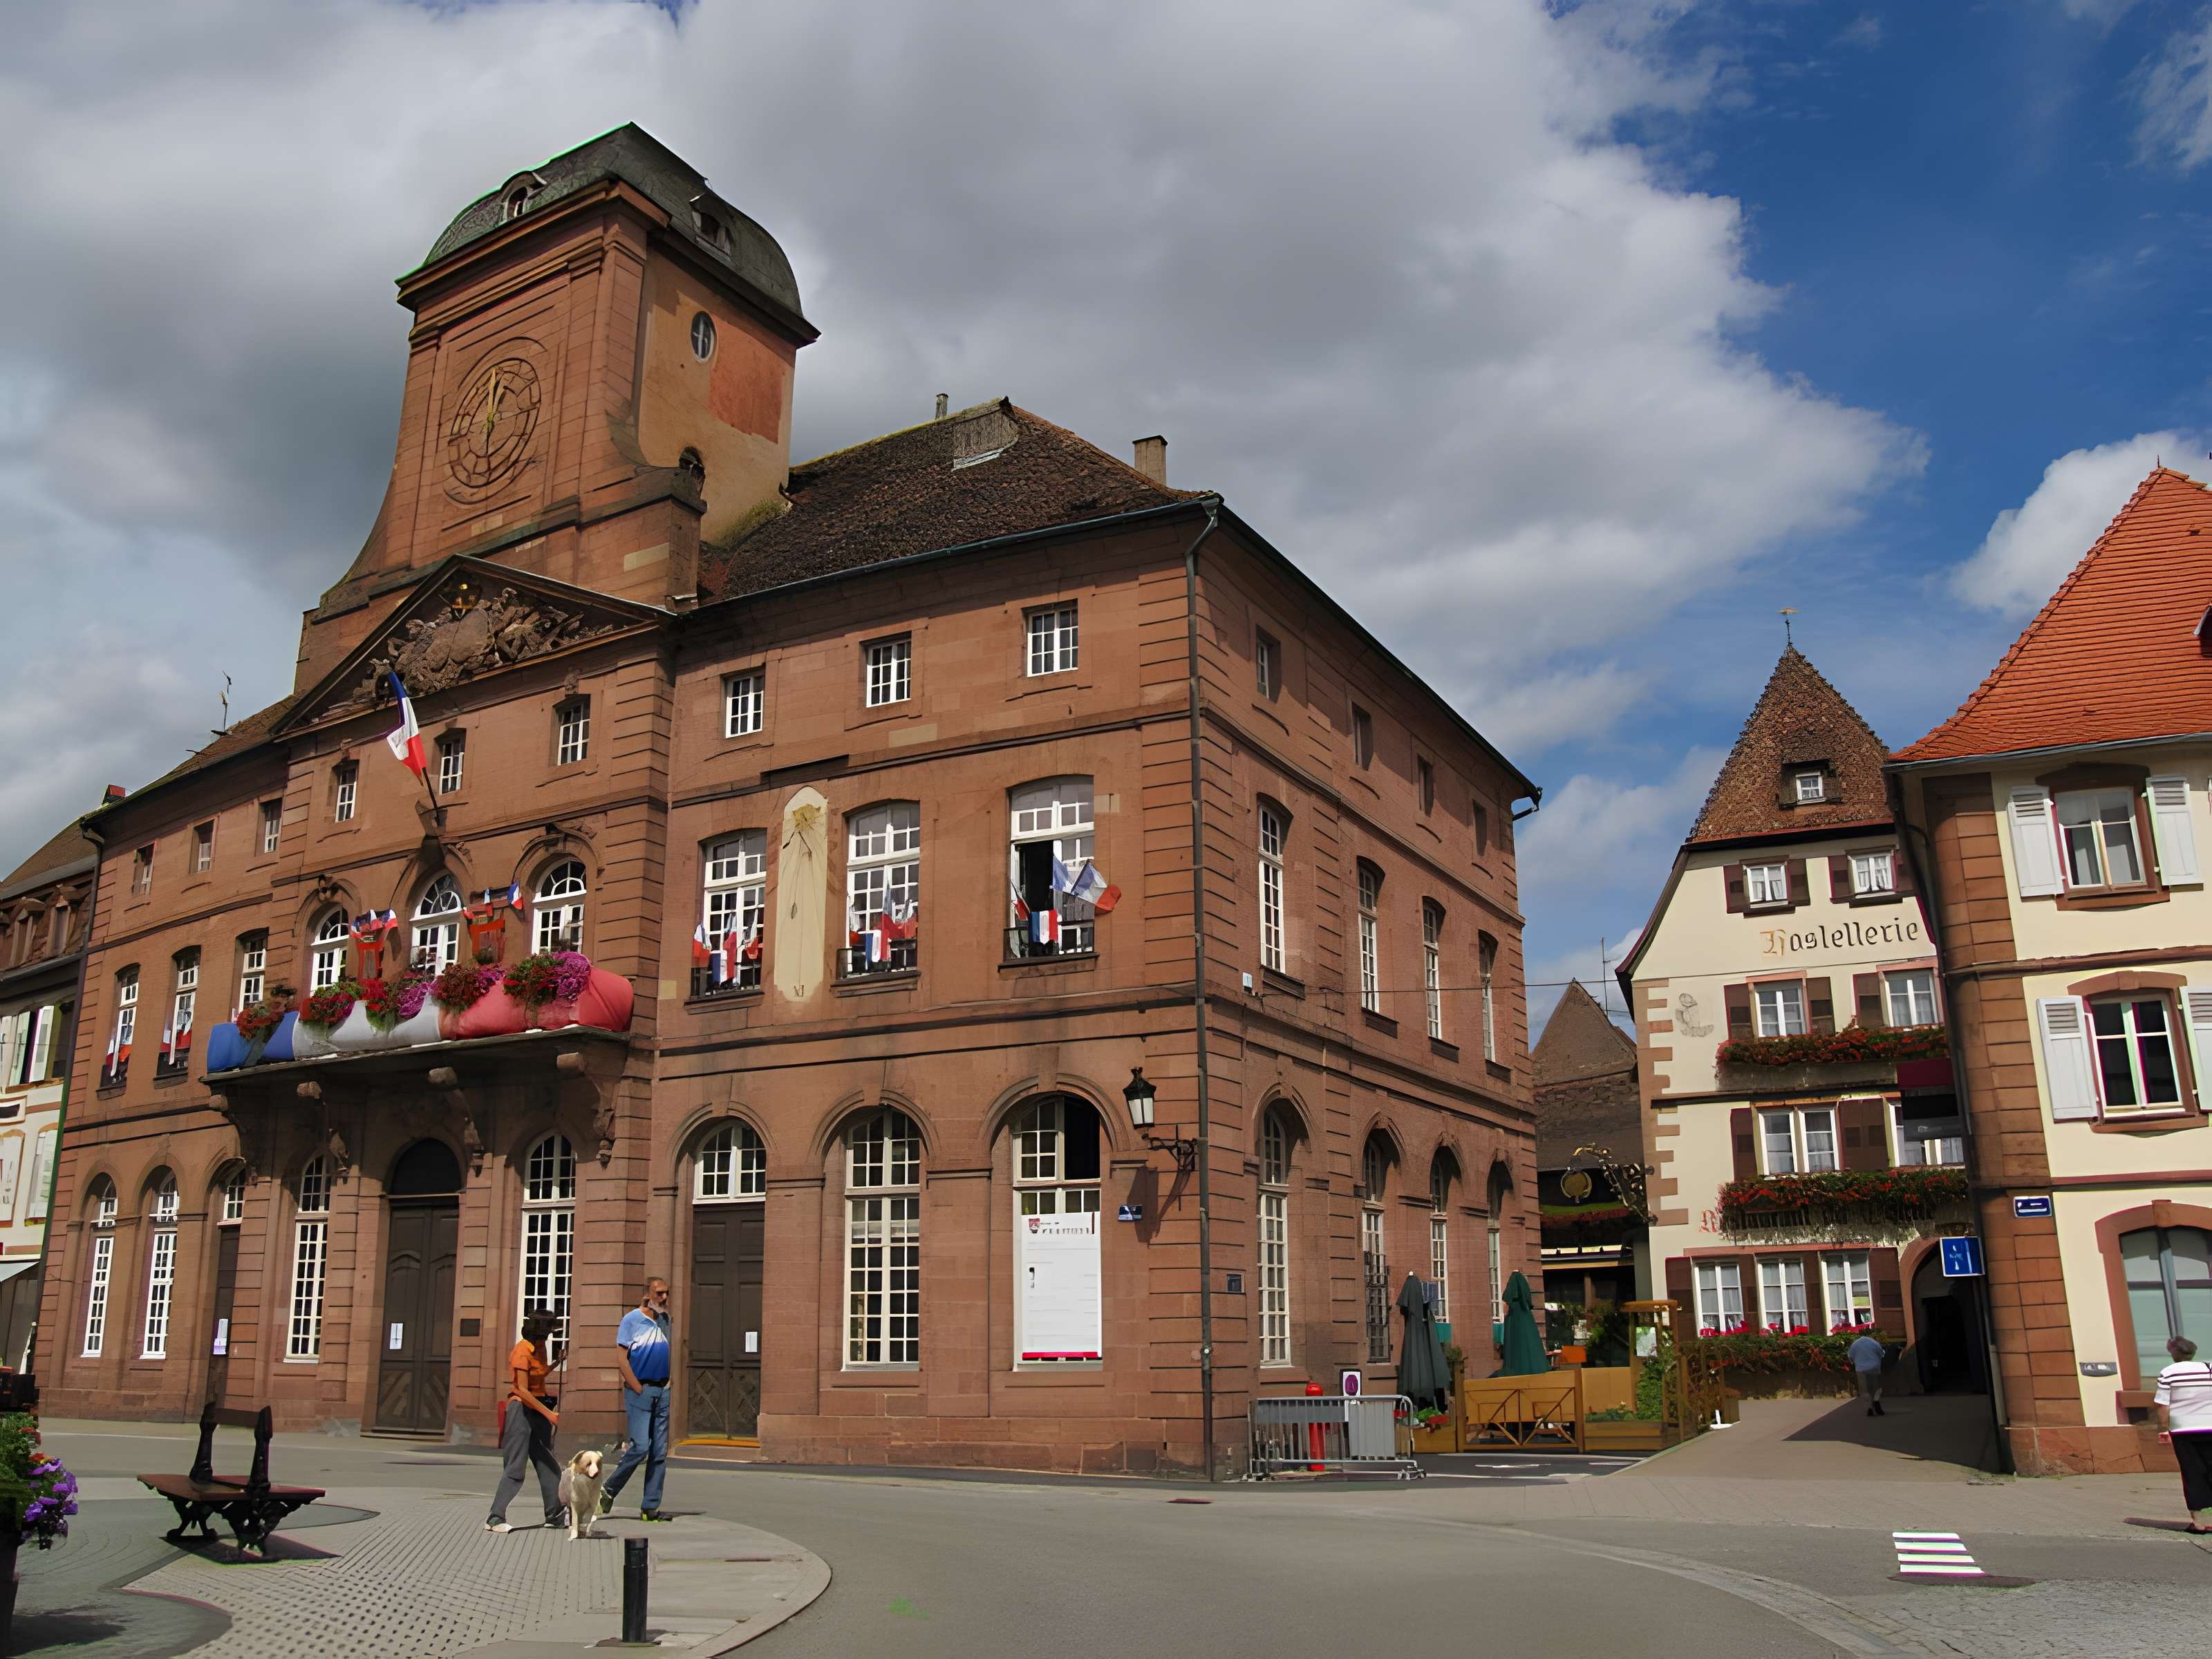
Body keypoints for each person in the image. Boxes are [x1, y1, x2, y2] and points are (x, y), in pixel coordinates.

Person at [601, 1277, 673, 1521]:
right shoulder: (631, 1320)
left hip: (662, 1391)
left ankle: (650, 1507)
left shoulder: (665, 1319)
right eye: (659, 1294)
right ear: (648, 1294)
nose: (664, 1298)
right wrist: (636, 1386)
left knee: (659, 1451)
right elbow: (622, 1357)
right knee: (641, 1446)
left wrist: (667, 1383)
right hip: (640, 1390)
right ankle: (609, 1490)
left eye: (666, 1293)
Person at [487, 1309, 563, 1533]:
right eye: (549, 1329)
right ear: (539, 1330)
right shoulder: (522, 1351)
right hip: (520, 1410)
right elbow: (522, 1390)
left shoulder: (540, 1348)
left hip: (537, 1408)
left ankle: (555, 1515)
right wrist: (550, 1415)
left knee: (547, 1462)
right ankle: (495, 1518)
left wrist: (556, 1363)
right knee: (516, 1465)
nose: (551, 1333)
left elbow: (538, 1378)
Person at [2154, 1334, 2212, 1533]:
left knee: (2192, 1474)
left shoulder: (2168, 1373)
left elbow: (2162, 1404)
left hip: (2183, 1429)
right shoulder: (2209, 1367)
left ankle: (2201, 1523)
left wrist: (2163, 1429)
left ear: (2173, 1352)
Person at [1848, 1329, 1886, 1416]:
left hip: (1861, 1369)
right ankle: (1876, 1402)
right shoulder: (1874, 1343)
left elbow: (1851, 1357)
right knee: (1875, 1387)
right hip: (1874, 1368)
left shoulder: (1855, 1344)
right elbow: (1881, 1353)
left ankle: (1869, 1408)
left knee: (1865, 1389)